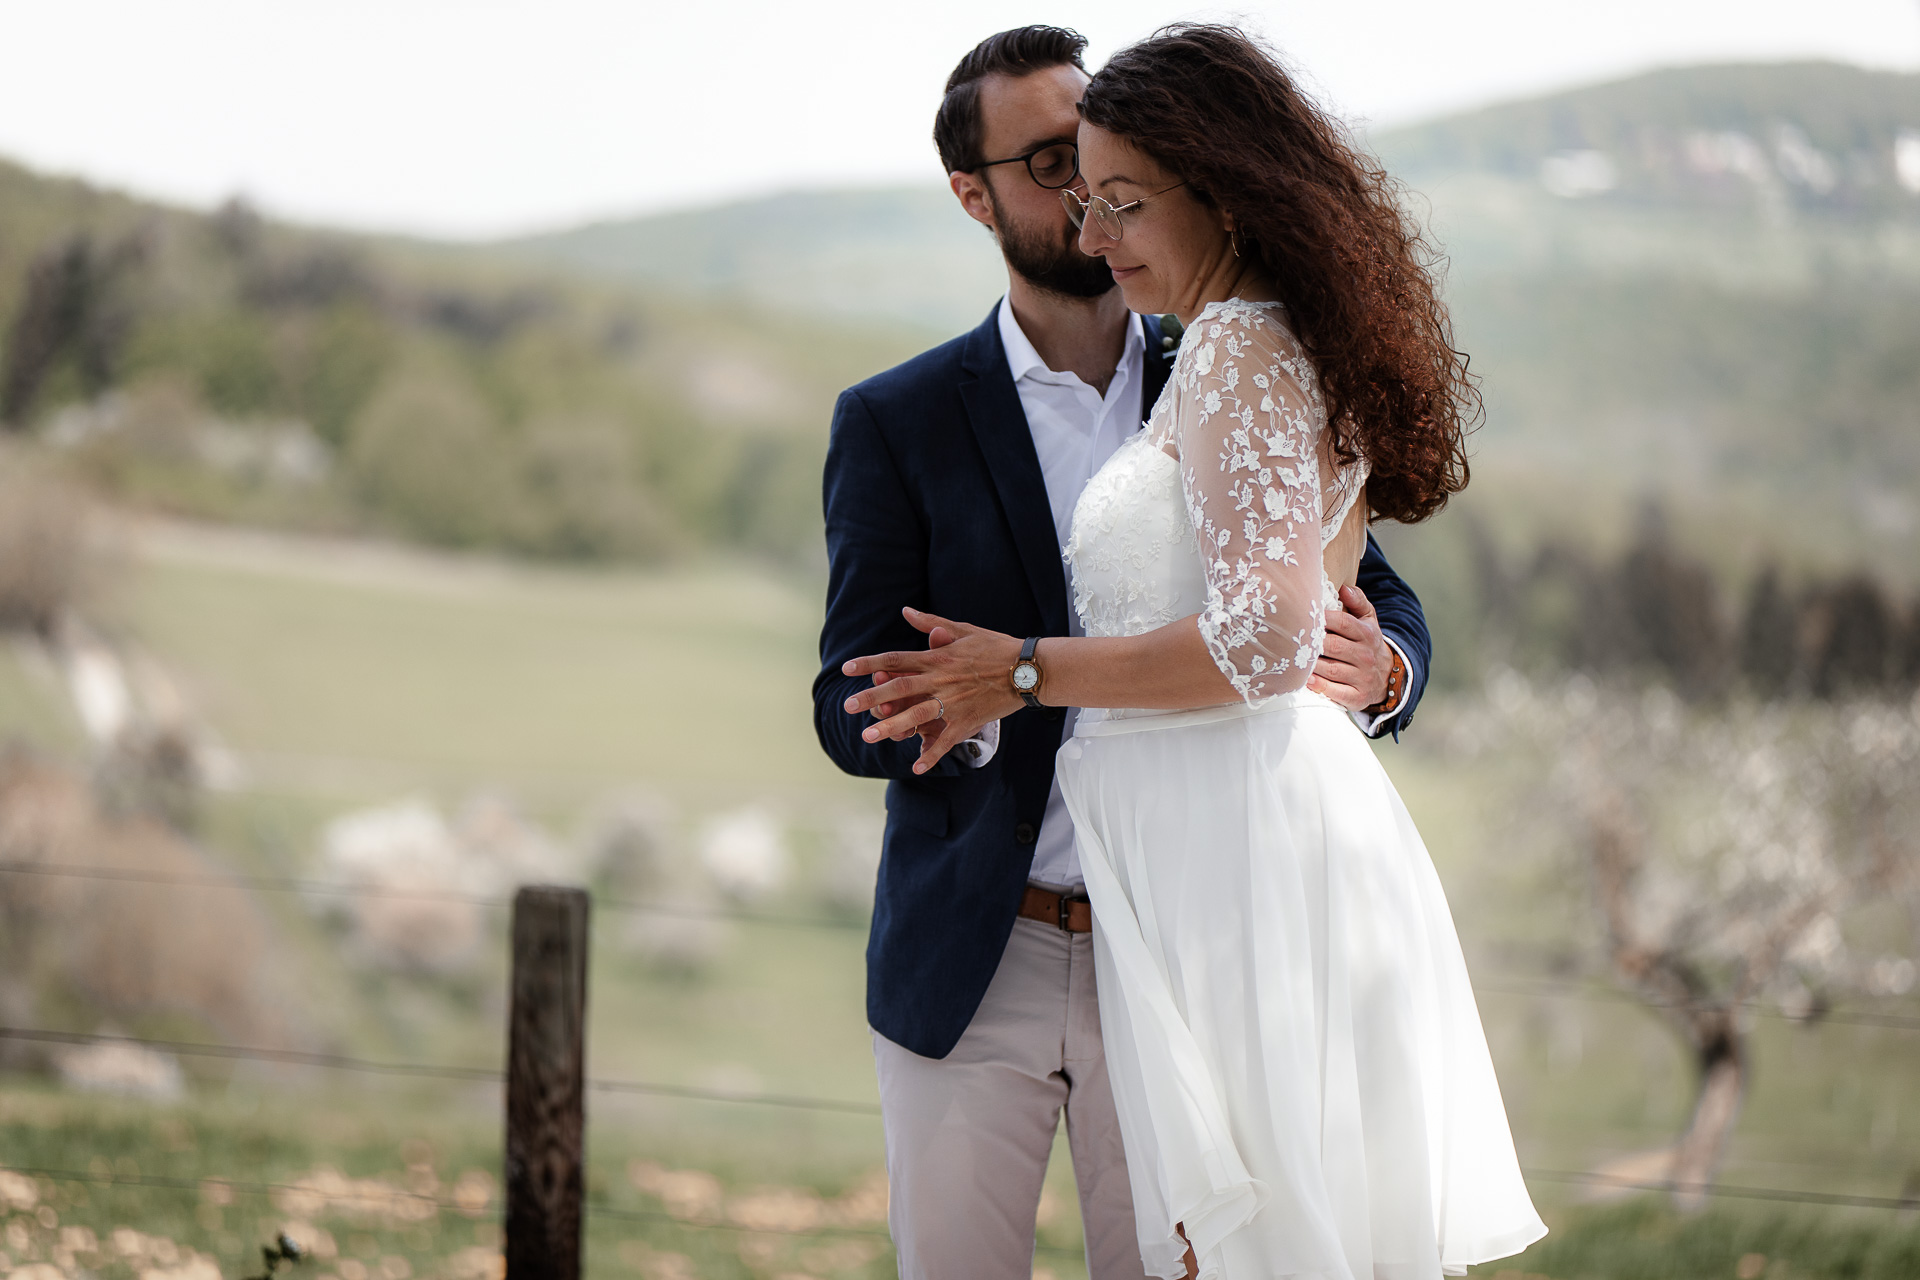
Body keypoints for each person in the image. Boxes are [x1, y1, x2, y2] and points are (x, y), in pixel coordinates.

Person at [836, 24, 1546, 1280]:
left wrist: (1383, 676)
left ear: (1203, 178)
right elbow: (854, 703)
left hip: (1192, 924)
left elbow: (1346, 603)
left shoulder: (1218, 349)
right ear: (975, 192)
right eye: (1055, 165)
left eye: (1110, 182)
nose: (1084, 210)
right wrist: (967, 698)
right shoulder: (897, 418)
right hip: (982, 946)